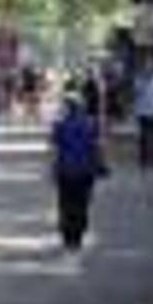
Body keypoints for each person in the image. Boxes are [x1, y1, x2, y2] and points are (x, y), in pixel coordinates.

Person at [51, 92, 105, 252]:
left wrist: (53, 167)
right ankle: (78, 235)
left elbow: (55, 148)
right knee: (82, 202)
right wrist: (100, 164)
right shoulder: (91, 123)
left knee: (65, 202)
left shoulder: (59, 124)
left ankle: (67, 234)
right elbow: (96, 146)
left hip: (65, 169)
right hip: (85, 169)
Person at [134, 57, 153, 169]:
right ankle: (143, 160)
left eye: (152, 66)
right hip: (144, 112)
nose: (149, 68)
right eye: (147, 66)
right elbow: (137, 93)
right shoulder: (140, 80)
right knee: (143, 138)